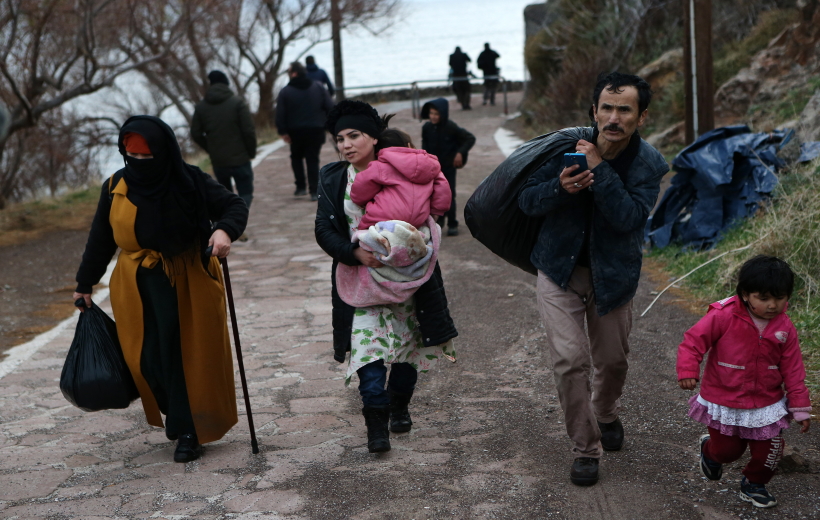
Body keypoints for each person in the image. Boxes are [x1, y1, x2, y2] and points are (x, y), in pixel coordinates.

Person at [518, 71, 669, 486]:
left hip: (613, 277)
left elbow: (629, 219)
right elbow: (527, 200)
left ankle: (604, 412)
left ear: (641, 117)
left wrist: (600, 170)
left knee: (612, 361)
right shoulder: (564, 148)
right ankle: (586, 449)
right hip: (558, 271)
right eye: (607, 107)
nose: (614, 117)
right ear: (594, 110)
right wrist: (558, 188)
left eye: (625, 109)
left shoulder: (648, 164)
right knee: (570, 361)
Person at [73, 116, 249, 463]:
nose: (139, 166)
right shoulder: (114, 187)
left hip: (188, 281)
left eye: (146, 158)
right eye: (131, 158)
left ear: (164, 151)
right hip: (136, 286)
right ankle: (179, 413)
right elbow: (101, 239)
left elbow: (234, 205)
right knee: (146, 359)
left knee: (184, 357)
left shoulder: (190, 181)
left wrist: (224, 231)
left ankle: (187, 430)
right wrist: (84, 283)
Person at [314, 100, 458, 454]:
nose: (346, 144)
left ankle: (400, 405)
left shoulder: (409, 170)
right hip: (360, 282)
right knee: (368, 354)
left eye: (354, 135)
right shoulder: (333, 177)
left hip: (409, 281)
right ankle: (375, 427)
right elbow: (322, 228)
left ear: (375, 138)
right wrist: (354, 253)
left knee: (409, 350)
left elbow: (432, 213)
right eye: (339, 138)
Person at [677, 255, 811, 509]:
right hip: (724, 398)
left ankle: (754, 483)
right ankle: (710, 450)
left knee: (770, 453)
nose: (772, 305)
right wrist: (687, 369)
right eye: (764, 298)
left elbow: (793, 369)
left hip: (766, 403)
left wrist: (800, 407)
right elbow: (693, 341)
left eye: (779, 298)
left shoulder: (785, 327)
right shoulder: (724, 315)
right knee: (728, 452)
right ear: (746, 294)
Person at [191, 70, 257, 216]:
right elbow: (248, 131)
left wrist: (211, 148)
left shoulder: (201, 107)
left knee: (225, 195)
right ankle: (236, 219)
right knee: (246, 193)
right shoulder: (237, 103)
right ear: (226, 83)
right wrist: (251, 152)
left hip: (219, 160)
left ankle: (228, 220)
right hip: (240, 158)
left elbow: (195, 133)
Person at [276, 61, 333, 201]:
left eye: (289, 72)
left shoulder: (285, 91)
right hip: (316, 129)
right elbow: (330, 106)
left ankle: (300, 187)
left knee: (296, 158)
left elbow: (280, 113)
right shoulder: (318, 87)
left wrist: (283, 131)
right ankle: (314, 191)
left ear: (294, 73)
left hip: (295, 132)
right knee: (312, 159)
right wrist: (328, 125)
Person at [420, 98, 476, 236]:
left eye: (436, 114)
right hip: (433, 168)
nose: (433, 116)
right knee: (433, 195)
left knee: (449, 194)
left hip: (448, 167)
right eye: (431, 113)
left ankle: (452, 223)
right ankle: (439, 221)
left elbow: (470, 138)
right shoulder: (426, 128)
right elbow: (424, 147)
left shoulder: (451, 127)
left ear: (443, 114)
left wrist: (460, 153)